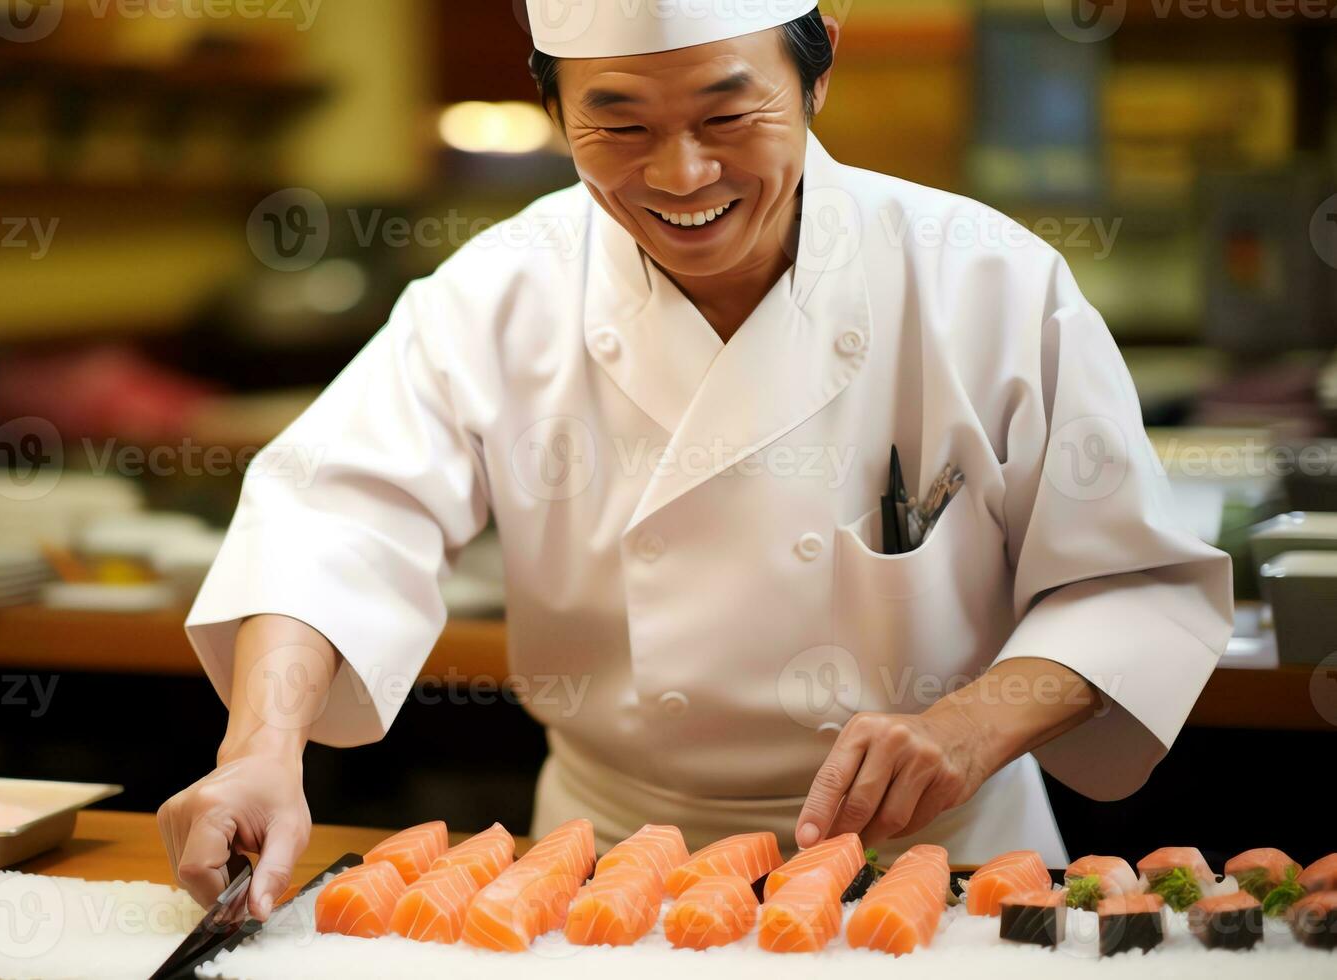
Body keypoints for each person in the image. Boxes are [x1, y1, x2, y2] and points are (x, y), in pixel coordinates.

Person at [158, 0, 1233, 918]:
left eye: (727, 114)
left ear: (813, 82)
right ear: (555, 112)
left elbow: (1126, 580)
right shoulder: (496, 292)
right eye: (616, 123)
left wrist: (963, 725)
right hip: (600, 866)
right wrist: (260, 743)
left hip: (937, 859)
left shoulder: (988, 282)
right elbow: (333, 516)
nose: (678, 174)